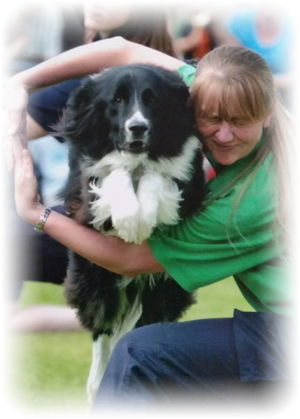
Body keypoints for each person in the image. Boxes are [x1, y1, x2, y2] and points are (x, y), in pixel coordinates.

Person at [4, 35, 298, 415]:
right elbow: (120, 50)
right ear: (196, 103)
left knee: (139, 359)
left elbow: (130, 259)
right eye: (211, 119)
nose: (223, 135)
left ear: (268, 113)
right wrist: (20, 83)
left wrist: (37, 214)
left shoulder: (259, 198)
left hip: (289, 341)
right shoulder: (231, 88)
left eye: (239, 123)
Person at [2, 3, 176, 333]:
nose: (94, 2)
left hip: (133, 239)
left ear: (140, 8)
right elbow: (15, 122)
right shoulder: (91, 78)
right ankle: (108, 316)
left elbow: (119, 50)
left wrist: (20, 82)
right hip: (88, 227)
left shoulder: (146, 79)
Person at [226, 2, 299, 112]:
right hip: (248, 94)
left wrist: (268, 83)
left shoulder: (293, 21)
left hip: (287, 96)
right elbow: (233, 68)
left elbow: (296, 75)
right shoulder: (239, 20)